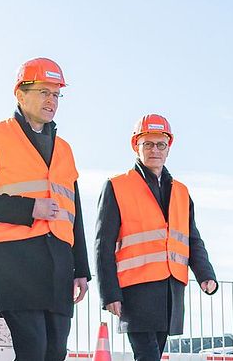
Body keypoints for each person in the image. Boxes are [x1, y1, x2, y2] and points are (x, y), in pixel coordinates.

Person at [0, 58, 91, 360]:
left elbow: (74, 213)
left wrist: (82, 270)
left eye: (56, 94)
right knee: (33, 349)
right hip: (12, 258)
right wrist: (29, 209)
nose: (51, 101)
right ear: (20, 94)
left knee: (55, 352)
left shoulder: (64, 149)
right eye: (43, 92)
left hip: (58, 262)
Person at [95, 114, 218, 361]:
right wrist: (109, 293)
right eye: (148, 144)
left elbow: (192, 238)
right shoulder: (117, 186)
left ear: (168, 148)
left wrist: (206, 274)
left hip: (170, 289)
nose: (155, 150)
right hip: (136, 290)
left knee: (153, 354)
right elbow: (103, 244)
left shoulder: (181, 192)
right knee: (148, 355)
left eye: (160, 144)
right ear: (136, 146)